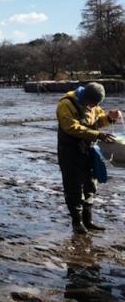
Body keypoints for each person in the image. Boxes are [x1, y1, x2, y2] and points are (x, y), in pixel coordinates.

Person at [56, 82, 120, 234]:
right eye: (92, 103)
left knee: (91, 184)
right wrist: (98, 135)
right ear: (85, 97)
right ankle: (77, 223)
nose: (94, 106)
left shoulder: (93, 105)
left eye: (97, 104)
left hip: (89, 150)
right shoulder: (66, 104)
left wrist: (110, 118)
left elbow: (98, 121)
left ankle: (88, 220)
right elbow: (71, 127)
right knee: (73, 187)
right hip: (70, 151)